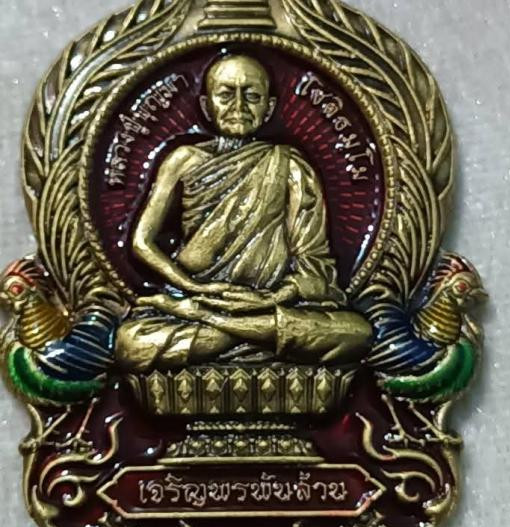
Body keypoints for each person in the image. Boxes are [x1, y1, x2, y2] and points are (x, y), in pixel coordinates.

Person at [115, 54, 372, 373]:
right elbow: (141, 243)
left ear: (269, 108)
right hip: (198, 297)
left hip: (263, 305)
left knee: (357, 332)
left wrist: (272, 299)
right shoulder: (183, 159)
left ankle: (219, 326)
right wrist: (194, 288)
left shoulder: (290, 165)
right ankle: (253, 335)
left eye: (252, 96)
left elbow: (314, 262)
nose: (239, 106)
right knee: (129, 343)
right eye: (226, 95)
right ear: (207, 106)